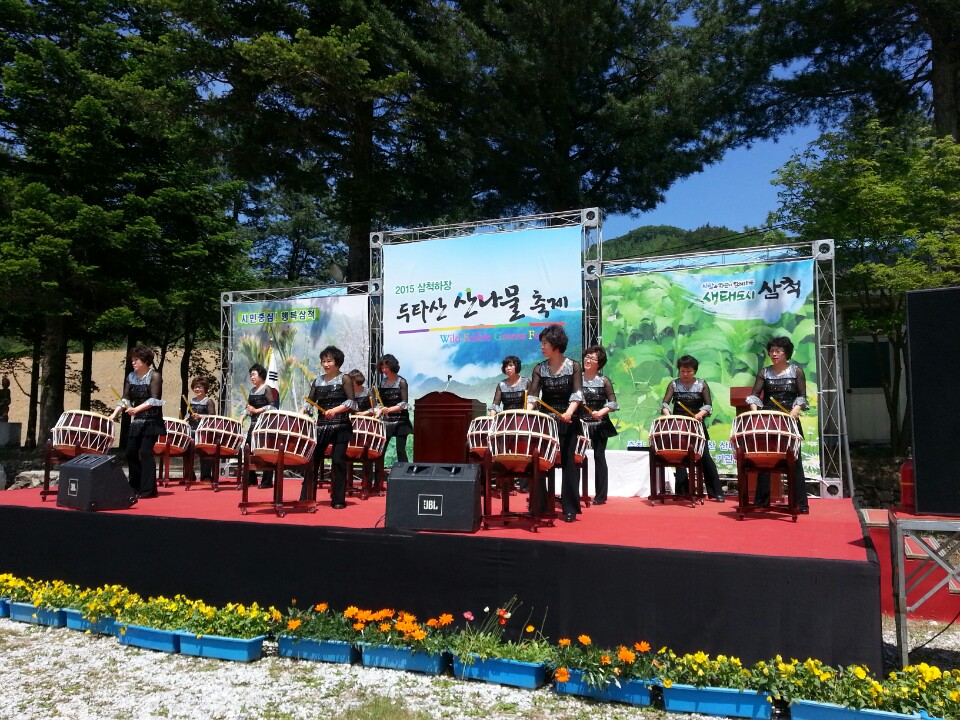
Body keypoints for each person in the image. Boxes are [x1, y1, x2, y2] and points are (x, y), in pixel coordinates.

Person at [746, 336, 809, 513]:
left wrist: (795, 410)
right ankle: (762, 501)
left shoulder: (796, 371)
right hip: (769, 421)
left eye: (778, 351)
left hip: (789, 421)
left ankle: (800, 504)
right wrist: (755, 411)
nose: (774, 354)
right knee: (765, 459)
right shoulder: (764, 372)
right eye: (772, 351)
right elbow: (754, 396)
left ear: (786, 353)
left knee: (794, 461)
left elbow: (802, 397)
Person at [526, 324, 583, 522]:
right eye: (541, 343)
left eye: (545, 343)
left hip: (568, 419)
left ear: (556, 344)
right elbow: (533, 396)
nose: (542, 347)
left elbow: (577, 394)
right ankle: (540, 505)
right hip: (545, 422)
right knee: (539, 462)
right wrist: (527, 412)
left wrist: (568, 413)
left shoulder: (574, 366)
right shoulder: (539, 368)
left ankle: (570, 508)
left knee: (568, 463)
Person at [660, 355, 724, 502]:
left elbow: (708, 405)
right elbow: (665, 404)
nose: (685, 374)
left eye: (689, 371)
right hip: (679, 426)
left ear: (694, 371)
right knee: (680, 457)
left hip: (696, 425)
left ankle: (716, 492)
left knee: (705, 456)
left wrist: (700, 414)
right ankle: (682, 492)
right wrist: (668, 415)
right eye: (683, 371)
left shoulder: (702, 384)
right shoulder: (674, 384)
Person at [300, 346, 356, 508]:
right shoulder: (318, 381)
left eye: (329, 361)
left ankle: (338, 500)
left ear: (337, 362)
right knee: (312, 460)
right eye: (323, 361)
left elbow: (351, 402)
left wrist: (335, 410)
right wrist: (303, 410)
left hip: (341, 425)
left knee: (338, 460)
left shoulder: (345, 379)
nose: (325, 364)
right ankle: (306, 497)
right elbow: (310, 402)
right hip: (322, 427)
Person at [112, 345, 165, 499]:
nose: (133, 363)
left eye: (136, 360)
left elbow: (154, 399)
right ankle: (135, 486)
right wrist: (114, 414)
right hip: (138, 421)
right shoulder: (130, 376)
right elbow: (125, 398)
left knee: (145, 452)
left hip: (152, 420)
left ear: (145, 361)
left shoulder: (155, 376)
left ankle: (148, 490)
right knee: (130, 452)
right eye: (132, 360)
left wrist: (136, 409)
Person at [580, 346, 618, 505]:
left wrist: (601, 412)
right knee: (575, 457)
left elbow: (613, 403)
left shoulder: (604, 381)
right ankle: (574, 494)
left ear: (599, 363)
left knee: (599, 456)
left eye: (592, 358)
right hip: (580, 423)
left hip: (599, 423)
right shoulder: (576, 379)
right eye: (587, 357)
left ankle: (601, 496)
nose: (588, 360)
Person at [244, 363, 279, 490]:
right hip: (253, 424)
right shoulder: (252, 391)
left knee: (265, 451)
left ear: (261, 375)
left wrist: (257, 410)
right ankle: (251, 478)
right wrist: (243, 416)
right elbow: (248, 407)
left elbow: (272, 406)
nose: (252, 377)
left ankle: (267, 481)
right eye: (250, 375)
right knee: (248, 448)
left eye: (254, 374)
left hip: (265, 424)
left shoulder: (267, 389)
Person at [373, 354, 412, 465]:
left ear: (393, 366)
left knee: (400, 450)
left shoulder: (402, 382)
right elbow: (380, 402)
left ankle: (405, 473)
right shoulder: (382, 382)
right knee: (381, 450)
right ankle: (378, 473)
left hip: (400, 420)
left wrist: (389, 410)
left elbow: (404, 404)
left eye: (386, 367)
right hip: (387, 421)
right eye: (382, 367)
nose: (384, 370)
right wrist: (379, 410)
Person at [187, 376, 216, 485]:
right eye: (195, 387)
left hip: (204, 431)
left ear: (205, 388)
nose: (197, 389)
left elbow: (213, 417)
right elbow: (188, 415)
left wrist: (200, 416)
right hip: (192, 430)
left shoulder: (209, 401)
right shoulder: (191, 401)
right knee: (188, 452)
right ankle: (190, 475)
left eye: (199, 387)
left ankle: (206, 477)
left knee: (204, 453)